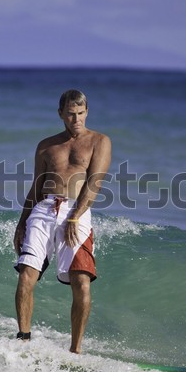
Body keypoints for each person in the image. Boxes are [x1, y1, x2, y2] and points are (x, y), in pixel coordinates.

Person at [13, 89, 111, 353]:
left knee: (81, 281)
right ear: (61, 114)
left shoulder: (99, 141)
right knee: (26, 275)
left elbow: (95, 183)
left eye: (80, 113)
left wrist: (75, 216)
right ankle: (23, 340)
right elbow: (36, 186)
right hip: (44, 210)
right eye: (70, 114)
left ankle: (75, 350)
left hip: (76, 210)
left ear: (86, 112)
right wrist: (22, 223)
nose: (75, 119)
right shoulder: (46, 146)